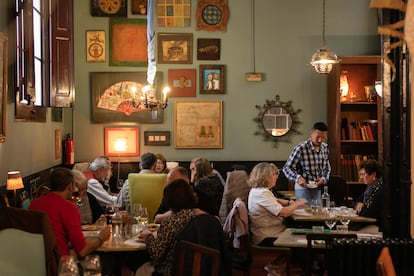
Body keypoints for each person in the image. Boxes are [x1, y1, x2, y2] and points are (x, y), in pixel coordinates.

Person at [29, 167, 111, 257]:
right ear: (70, 186)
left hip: (36, 261)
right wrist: (101, 239)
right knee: (108, 260)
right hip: (61, 264)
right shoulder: (68, 207)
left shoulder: (34, 204)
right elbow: (82, 251)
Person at [137, 179, 206, 276]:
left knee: (141, 269)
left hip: (171, 271)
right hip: (197, 269)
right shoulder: (197, 217)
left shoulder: (171, 222)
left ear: (169, 201)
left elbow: (156, 254)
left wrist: (148, 237)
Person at [248, 162, 307, 246]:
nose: (277, 177)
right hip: (268, 237)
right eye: (274, 174)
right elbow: (283, 213)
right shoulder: (263, 193)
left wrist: (289, 202)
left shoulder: (256, 190)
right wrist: (297, 203)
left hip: (269, 233)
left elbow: (274, 200)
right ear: (266, 176)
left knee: (302, 234)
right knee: (305, 239)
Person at [283, 122, 331, 204]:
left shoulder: (325, 148)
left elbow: (327, 168)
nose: (320, 140)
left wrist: (323, 179)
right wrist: (297, 178)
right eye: (318, 137)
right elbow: (287, 168)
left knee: (317, 214)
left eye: (323, 138)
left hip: (317, 188)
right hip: (302, 187)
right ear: (311, 133)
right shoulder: (301, 148)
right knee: (304, 214)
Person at [354, 159, 383, 229]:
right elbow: (357, 201)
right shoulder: (370, 187)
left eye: (363, 174)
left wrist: (360, 209)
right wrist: (359, 204)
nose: (360, 178)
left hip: (376, 226)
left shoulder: (380, 189)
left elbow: (368, 214)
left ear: (373, 175)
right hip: (367, 223)